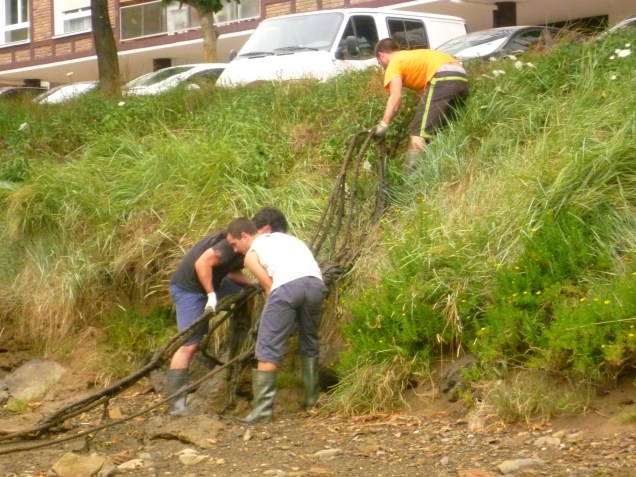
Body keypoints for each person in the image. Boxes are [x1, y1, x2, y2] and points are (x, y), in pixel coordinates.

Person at [165, 207, 288, 417]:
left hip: (216, 281)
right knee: (189, 344)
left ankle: (244, 332)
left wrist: (253, 283)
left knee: (246, 293)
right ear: (266, 230)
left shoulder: (248, 245)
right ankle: (176, 406)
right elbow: (203, 263)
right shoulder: (232, 243)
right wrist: (211, 295)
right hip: (189, 289)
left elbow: (230, 271)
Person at [226, 218, 327, 424]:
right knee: (309, 340)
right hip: (316, 285)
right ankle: (311, 400)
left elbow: (269, 287)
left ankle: (262, 412)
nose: (235, 250)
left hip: (287, 287)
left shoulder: (252, 253)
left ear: (244, 236)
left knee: (267, 345)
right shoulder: (287, 239)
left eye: (234, 244)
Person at [372, 38, 469, 174]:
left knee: (418, 133)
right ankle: (447, 169)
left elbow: (395, 97)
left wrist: (383, 125)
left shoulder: (394, 63)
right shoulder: (410, 56)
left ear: (381, 55)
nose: (381, 66)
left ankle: (411, 181)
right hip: (461, 76)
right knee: (442, 129)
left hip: (443, 77)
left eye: (379, 62)